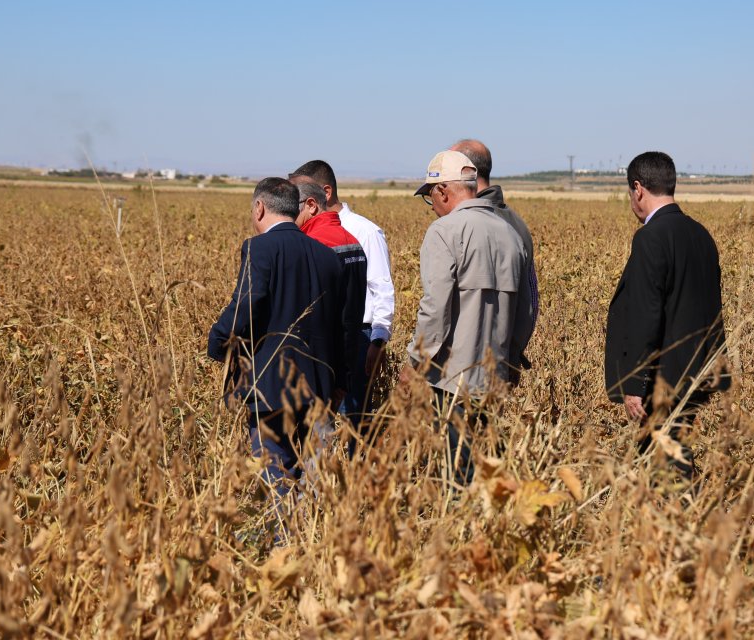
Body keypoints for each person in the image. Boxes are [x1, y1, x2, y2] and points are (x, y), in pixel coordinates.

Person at [207, 177, 347, 499]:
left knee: (274, 475)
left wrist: (218, 344)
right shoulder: (328, 257)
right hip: (321, 387)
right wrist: (339, 380)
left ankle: (281, 544)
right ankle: (313, 544)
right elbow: (340, 325)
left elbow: (246, 304)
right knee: (315, 479)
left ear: (259, 208)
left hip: (271, 387)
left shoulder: (259, 248)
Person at [400, 150, 533, 486]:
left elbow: (435, 309)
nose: (433, 207)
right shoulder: (511, 234)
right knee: (489, 469)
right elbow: (528, 309)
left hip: (452, 382)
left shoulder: (445, 231)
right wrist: (510, 362)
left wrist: (415, 361)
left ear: (443, 191)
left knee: (456, 474)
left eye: (431, 198)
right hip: (495, 377)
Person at [604, 151, 729, 480]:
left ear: (638, 189)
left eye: (630, 194)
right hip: (698, 372)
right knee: (673, 459)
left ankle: (688, 523)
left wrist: (636, 384)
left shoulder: (650, 237)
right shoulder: (701, 235)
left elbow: (647, 315)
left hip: (664, 380)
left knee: (664, 473)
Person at [288, 162, 386, 449]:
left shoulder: (360, 233)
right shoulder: (349, 240)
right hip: (347, 339)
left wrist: (379, 338)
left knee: (347, 421)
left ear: (315, 200)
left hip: (342, 345)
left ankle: (348, 478)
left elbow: (380, 289)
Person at [449, 139, 538, 381]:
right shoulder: (516, 223)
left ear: (467, 173)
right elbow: (531, 300)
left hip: (465, 374)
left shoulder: (466, 225)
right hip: (498, 367)